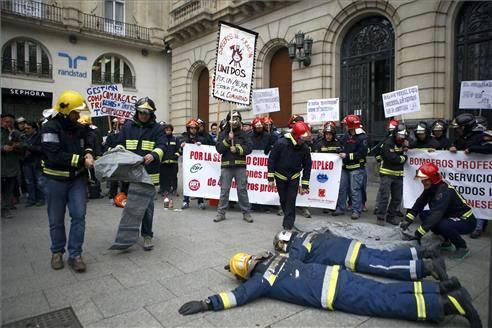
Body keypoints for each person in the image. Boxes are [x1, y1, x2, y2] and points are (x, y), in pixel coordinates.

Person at [178, 251, 482, 328]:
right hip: (336, 275)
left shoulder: (260, 282)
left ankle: (448, 306)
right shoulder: (277, 258)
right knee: (382, 289)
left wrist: (207, 303)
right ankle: (440, 290)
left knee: (383, 302)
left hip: (333, 293)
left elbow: (238, 297)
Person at [41, 91, 95, 272]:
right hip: (55, 180)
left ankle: (75, 255)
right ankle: (57, 252)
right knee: (56, 219)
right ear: (65, 111)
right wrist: (81, 160)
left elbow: (89, 138)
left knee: (79, 216)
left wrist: (88, 151)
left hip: (77, 180)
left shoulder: (78, 126)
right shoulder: (50, 127)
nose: (78, 116)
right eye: (75, 112)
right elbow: (54, 155)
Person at [273, 230, 447, 281]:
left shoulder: (297, 245)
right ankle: (424, 252)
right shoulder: (307, 234)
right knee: (385, 256)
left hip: (348, 256)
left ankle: (427, 267)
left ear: (285, 241)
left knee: (383, 266)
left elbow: (294, 262)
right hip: (350, 245)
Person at [116, 97, 165, 251]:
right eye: (141, 112)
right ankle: (127, 237)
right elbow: (120, 143)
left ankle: (147, 235)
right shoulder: (127, 126)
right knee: (129, 206)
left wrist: (154, 155)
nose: (144, 115)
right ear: (136, 111)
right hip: (129, 173)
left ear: (152, 114)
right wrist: (117, 150)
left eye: (147, 113)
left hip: (148, 174)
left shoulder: (157, 128)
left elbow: (162, 145)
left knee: (147, 207)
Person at [400, 162, 477, 259]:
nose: (422, 182)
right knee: (424, 215)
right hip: (450, 216)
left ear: (433, 178)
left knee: (442, 224)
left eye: (425, 180)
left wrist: (418, 234)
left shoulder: (444, 191)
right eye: (422, 180)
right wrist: (407, 220)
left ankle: (462, 247)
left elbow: (436, 214)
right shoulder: (431, 187)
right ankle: (446, 241)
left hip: (466, 220)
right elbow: (419, 204)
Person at [449, 114, 492, 239]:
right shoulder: (462, 136)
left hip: (480, 176)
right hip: (465, 176)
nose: (458, 130)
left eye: (460, 127)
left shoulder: (482, 135)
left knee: (480, 199)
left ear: (466, 127)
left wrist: (473, 149)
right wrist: (453, 148)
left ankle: (479, 227)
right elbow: (456, 146)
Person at [268, 121, 312, 230]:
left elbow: (307, 166)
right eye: (302, 139)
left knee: (291, 201)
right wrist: (270, 178)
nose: (304, 141)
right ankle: (288, 219)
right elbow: (271, 160)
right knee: (283, 200)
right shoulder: (281, 144)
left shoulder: (305, 148)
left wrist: (305, 184)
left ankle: (288, 225)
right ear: (296, 136)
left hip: (294, 177)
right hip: (280, 177)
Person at [215, 111, 253, 223]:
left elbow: (249, 148)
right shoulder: (223, 134)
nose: (235, 121)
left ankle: (246, 213)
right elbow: (219, 149)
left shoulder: (244, 134)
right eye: (232, 118)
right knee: (224, 191)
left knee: (242, 190)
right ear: (228, 120)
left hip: (240, 167)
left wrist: (237, 149)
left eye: (237, 118)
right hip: (226, 166)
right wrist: (227, 140)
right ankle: (221, 213)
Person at [333, 115, 368, 220]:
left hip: (357, 168)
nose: (345, 127)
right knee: (342, 189)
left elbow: (362, 154)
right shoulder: (346, 136)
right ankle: (340, 208)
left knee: (355, 189)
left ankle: (356, 210)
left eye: (346, 125)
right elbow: (340, 145)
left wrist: (347, 156)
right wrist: (339, 150)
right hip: (345, 168)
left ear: (350, 125)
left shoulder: (362, 137)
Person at [374, 124, 408, 226]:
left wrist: (407, 145)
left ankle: (391, 216)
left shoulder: (404, 142)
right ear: (395, 134)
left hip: (399, 175)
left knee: (397, 198)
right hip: (387, 174)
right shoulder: (388, 143)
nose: (401, 138)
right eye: (399, 136)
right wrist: (404, 158)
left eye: (403, 136)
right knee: (384, 196)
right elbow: (392, 158)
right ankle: (380, 217)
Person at [181, 119, 208, 209]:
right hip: (188, 165)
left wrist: (201, 144)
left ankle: (200, 201)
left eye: (195, 128)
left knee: (200, 181)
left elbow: (207, 144)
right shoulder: (184, 137)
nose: (193, 130)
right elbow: (180, 147)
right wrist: (182, 145)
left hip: (199, 164)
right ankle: (185, 201)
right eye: (191, 128)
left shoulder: (201, 138)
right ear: (188, 129)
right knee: (187, 181)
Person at [1, 113, 22, 218]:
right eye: (6, 121)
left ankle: (5, 209)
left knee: (8, 191)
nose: (8, 124)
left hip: (11, 167)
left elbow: (25, 144)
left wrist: (17, 145)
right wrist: (2, 148)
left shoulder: (15, 133)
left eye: (11, 122)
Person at [21, 121, 45, 207]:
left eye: (28, 128)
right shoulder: (23, 137)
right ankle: (31, 199)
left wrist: (29, 147)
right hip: (26, 162)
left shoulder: (39, 136)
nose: (26, 130)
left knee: (39, 181)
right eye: (25, 128)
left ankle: (41, 199)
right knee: (29, 182)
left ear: (34, 129)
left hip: (37, 161)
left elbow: (42, 149)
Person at [159, 123, 180, 197]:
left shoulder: (175, 139)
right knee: (164, 177)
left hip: (173, 162)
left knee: (174, 177)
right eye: (166, 130)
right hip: (164, 162)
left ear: (172, 131)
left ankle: (174, 190)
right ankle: (165, 190)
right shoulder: (161, 139)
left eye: (169, 130)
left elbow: (179, 149)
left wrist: (176, 156)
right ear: (164, 130)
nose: (168, 131)